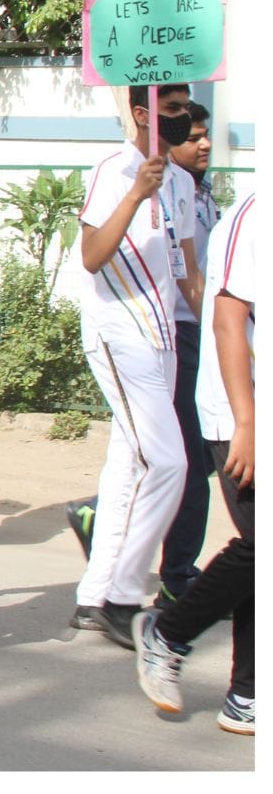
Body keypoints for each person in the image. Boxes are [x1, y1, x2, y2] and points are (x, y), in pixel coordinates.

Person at [70, 84, 201, 646]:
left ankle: (93, 594)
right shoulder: (114, 170)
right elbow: (92, 257)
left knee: (128, 463)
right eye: (172, 110)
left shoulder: (182, 182)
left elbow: (187, 272)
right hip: (119, 331)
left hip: (163, 335)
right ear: (143, 113)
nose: (183, 119)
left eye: (186, 109)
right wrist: (135, 194)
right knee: (168, 461)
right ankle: (124, 595)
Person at [134, 190, 256, 735]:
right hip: (242, 413)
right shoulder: (256, 215)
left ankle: (247, 694)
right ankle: (168, 634)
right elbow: (228, 319)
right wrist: (246, 424)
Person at [157, 101, 222, 605]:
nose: (203, 144)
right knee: (192, 460)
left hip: (202, 330)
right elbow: (186, 273)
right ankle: (177, 577)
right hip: (179, 332)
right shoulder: (164, 189)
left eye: (205, 135)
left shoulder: (201, 192)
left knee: (199, 456)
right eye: (193, 136)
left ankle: (98, 512)